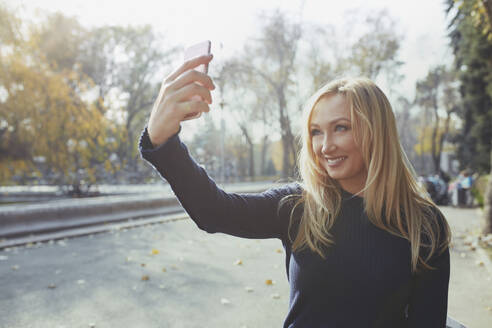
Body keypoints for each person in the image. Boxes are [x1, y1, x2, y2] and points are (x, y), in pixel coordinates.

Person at [139, 54, 452, 327]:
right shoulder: (299, 206)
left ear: (376, 131)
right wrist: (162, 140)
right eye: (316, 132)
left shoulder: (424, 225)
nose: (325, 146)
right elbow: (213, 211)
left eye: (341, 127)